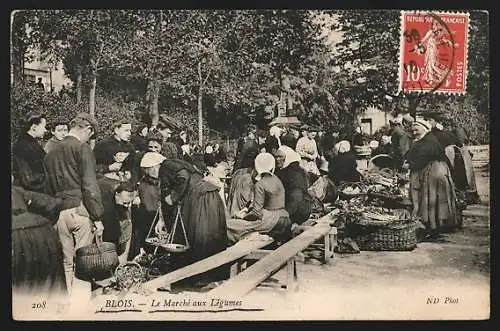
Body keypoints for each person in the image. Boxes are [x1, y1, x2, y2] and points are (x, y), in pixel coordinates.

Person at [44, 113, 104, 293]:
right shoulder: (82, 148)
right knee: (84, 260)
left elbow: (47, 187)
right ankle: (80, 305)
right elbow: (90, 186)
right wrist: (97, 216)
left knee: (66, 260)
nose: (89, 139)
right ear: (87, 129)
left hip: (58, 212)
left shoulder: (49, 151)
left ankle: (66, 299)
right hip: (80, 209)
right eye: (90, 135)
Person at [156, 159, 228, 285]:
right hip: (208, 196)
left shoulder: (167, 166)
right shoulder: (182, 163)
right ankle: (210, 274)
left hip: (198, 197)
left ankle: (195, 276)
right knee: (208, 233)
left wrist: (173, 198)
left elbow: (183, 178)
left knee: (198, 234)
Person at [405, 119, 461, 240]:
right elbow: (412, 153)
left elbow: (422, 158)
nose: (414, 132)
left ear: (425, 128)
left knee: (431, 199)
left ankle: (433, 228)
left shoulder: (429, 141)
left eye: (416, 129)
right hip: (433, 170)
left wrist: (410, 165)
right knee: (432, 200)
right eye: (413, 130)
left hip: (435, 172)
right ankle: (433, 227)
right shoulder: (423, 139)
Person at [12, 181, 66, 298]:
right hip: (42, 233)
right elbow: (53, 203)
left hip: (17, 240)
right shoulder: (18, 191)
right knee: (48, 283)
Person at [227, 153, 292, 244]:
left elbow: (256, 213)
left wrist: (242, 216)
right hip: (285, 217)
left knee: (230, 225)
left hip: (272, 220)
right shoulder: (277, 179)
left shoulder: (260, 184)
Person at [128, 152, 165, 260]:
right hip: (148, 217)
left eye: (156, 167)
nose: (155, 170)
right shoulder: (143, 184)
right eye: (150, 168)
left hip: (159, 216)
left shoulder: (160, 182)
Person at [98, 181, 137, 263]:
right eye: (125, 203)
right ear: (116, 195)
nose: (127, 206)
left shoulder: (125, 207)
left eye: (130, 203)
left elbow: (128, 233)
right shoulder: (107, 205)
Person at [274, 146, 312, 226]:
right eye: (276, 157)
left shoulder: (290, 173)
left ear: (288, 157)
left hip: (296, 210)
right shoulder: (297, 170)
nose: (277, 159)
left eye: (280, 157)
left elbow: (295, 197)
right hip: (302, 208)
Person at [93, 119, 137, 184]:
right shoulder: (102, 145)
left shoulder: (130, 147)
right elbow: (92, 167)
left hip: (125, 185)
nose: (129, 133)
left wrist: (130, 173)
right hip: (105, 184)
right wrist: (109, 168)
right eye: (126, 130)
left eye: (130, 131)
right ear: (116, 130)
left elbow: (134, 166)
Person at [12, 114, 48, 192]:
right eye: (44, 126)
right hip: (32, 192)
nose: (45, 130)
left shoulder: (28, 143)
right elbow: (28, 178)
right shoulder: (24, 146)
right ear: (34, 127)